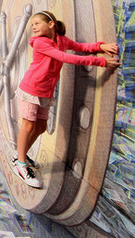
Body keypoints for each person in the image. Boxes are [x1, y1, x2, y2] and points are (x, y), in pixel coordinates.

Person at [12, 11, 120, 188]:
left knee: (40, 127)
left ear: (51, 24)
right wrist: (101, 62)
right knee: (29, 125)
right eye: (32, 25)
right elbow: (66, 57)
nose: (34, 27)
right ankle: (21, 164)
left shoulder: (62, 40)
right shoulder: (40, 43)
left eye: (37, 23)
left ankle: (20, 156)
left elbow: (80, 47)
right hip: (31, 89)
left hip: (45, 91)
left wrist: (101, 47)